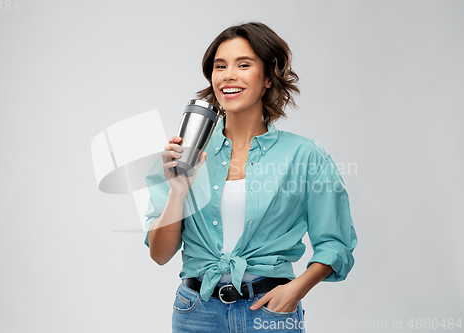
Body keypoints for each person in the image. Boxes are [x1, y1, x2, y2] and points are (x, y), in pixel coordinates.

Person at [144, 22, 357, 333]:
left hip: (269, 314)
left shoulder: (305, 155)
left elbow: (335, 243)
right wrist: (178, 191)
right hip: (195, 314)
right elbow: (160, 254)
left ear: (269, 77)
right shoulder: (181, 154)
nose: (229, 74)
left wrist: (295, 289)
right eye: (220, 66)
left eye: (243, 64)